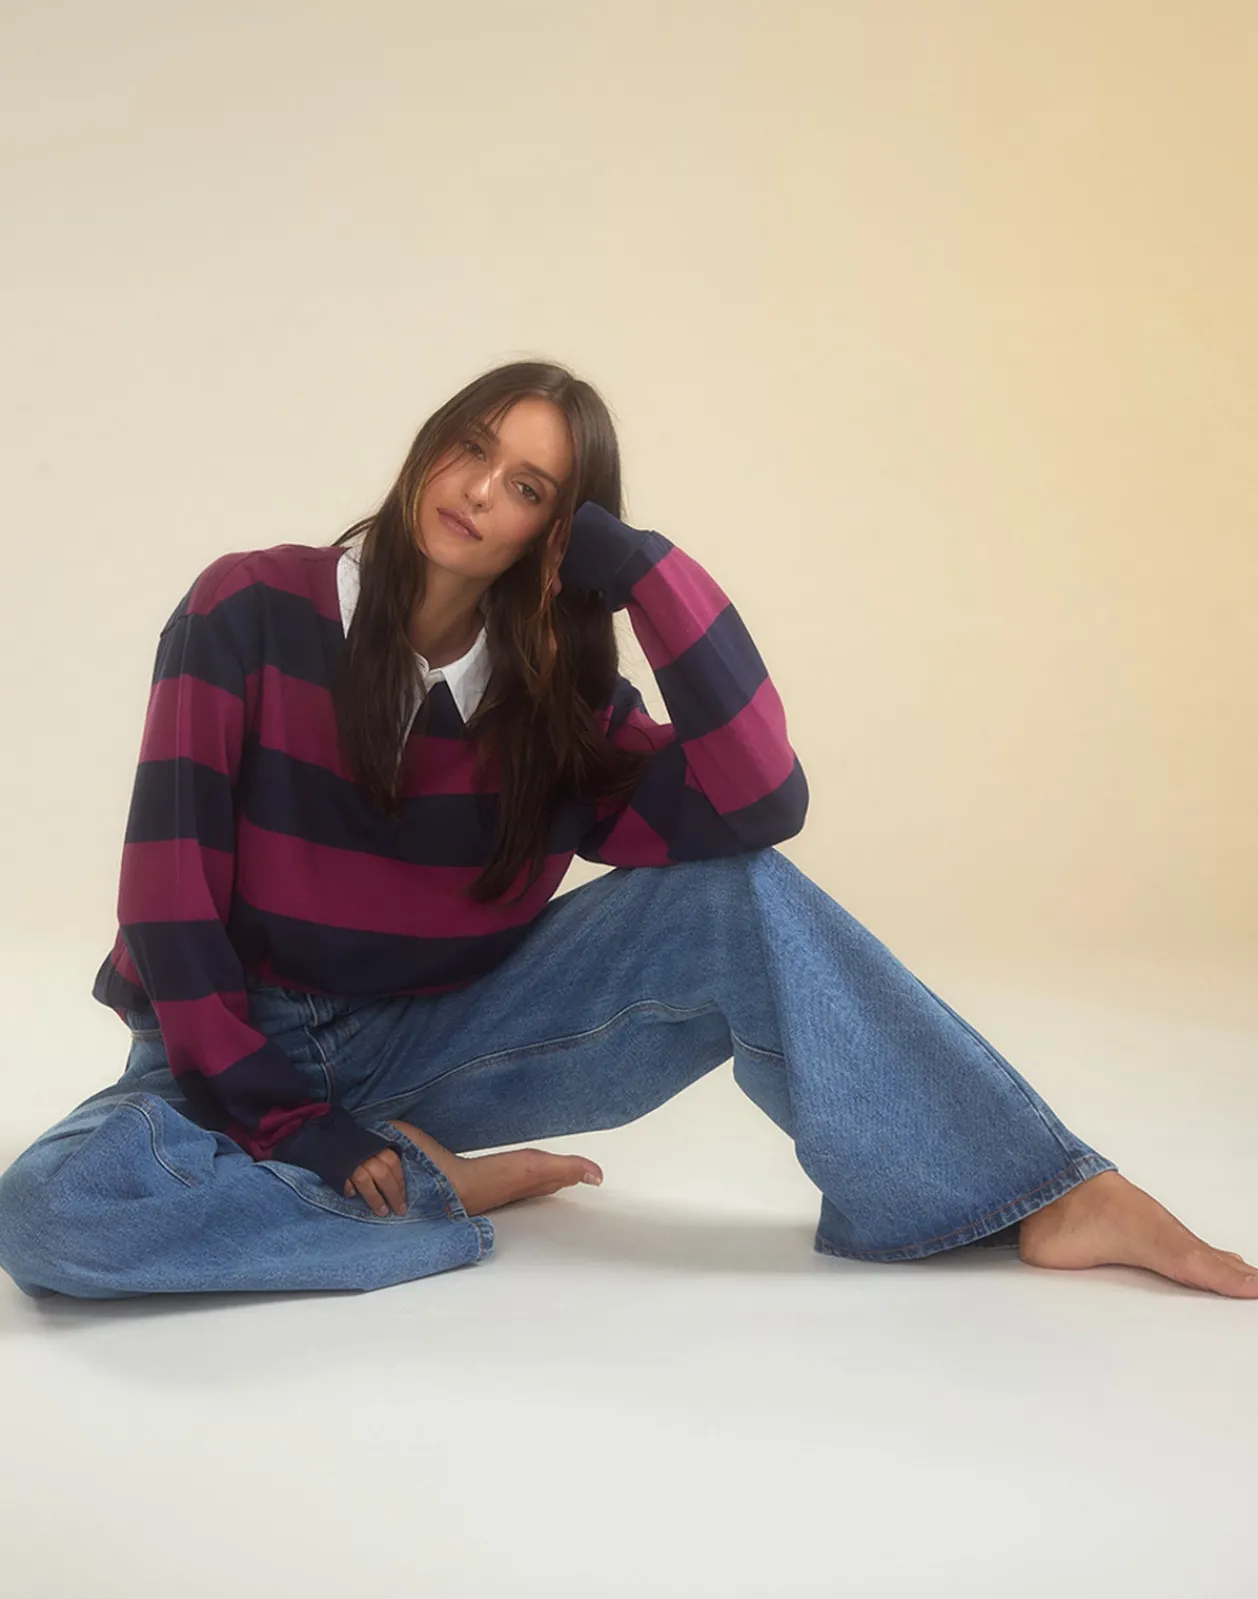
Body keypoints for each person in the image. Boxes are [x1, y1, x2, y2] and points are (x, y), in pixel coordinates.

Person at [0, 359, 1253, 1302]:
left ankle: (1043, 1191)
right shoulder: (246, 609)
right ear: (429, 448)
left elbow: (760, 805)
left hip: (441, 1043)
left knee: (734, 894)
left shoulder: (557, 707)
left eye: (529, 489)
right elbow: (166, 903)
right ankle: (428, 1182)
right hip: (226, 1052)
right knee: (50, 1214)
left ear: (555, 534)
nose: (478, 493)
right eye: (471, 451)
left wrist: (644, 567)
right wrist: (289, 1123)